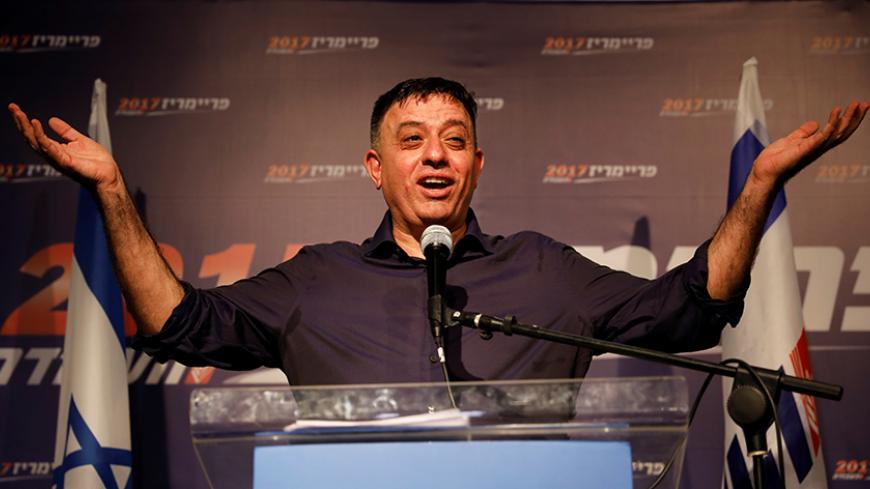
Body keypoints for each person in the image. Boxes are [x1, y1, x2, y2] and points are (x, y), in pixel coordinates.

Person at [8, 78, 869, 385]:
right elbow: (177, 324)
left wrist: (759, 186)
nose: (435, 158)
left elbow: (689, 310)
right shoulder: (317, 279)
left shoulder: (544, 271)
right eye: (411, 141)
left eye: (454, 142)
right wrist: (113, 192)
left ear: (478, 166)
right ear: (375, 168)